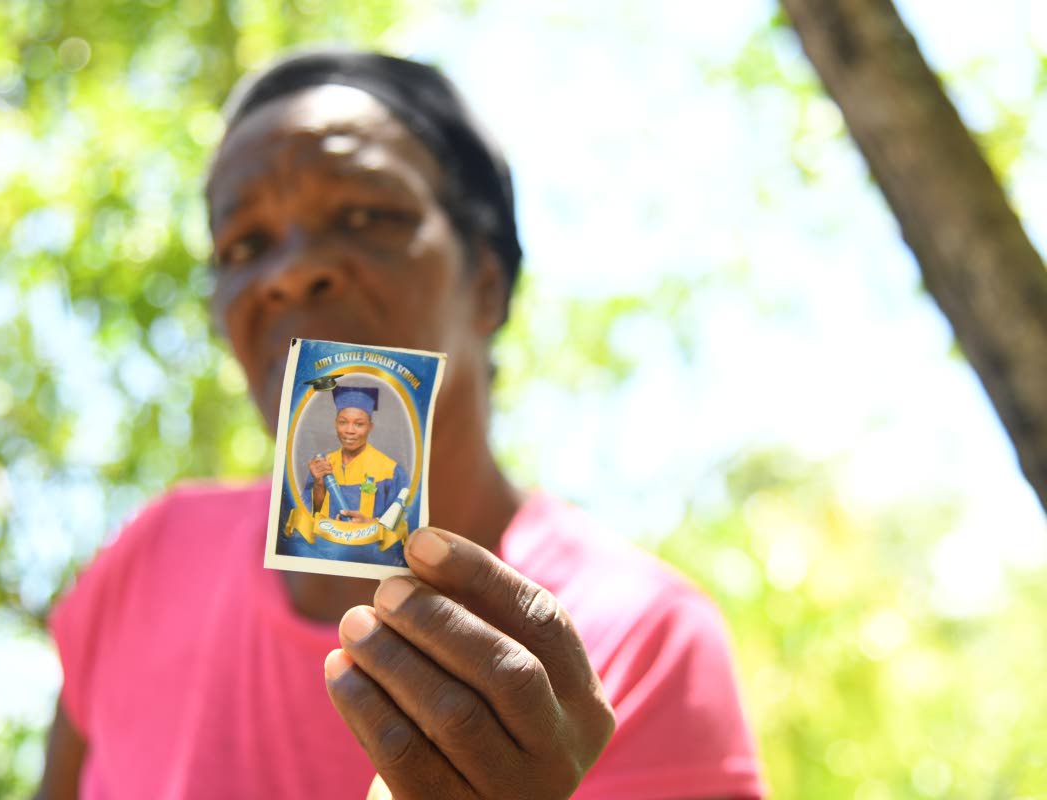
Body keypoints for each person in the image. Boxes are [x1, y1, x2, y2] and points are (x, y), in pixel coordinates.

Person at [37, 50, 764, 799]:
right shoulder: (152, 560)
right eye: (244, 245)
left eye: (365, 216)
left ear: (486, 280)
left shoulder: (638, 639)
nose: (290, 270)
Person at [303, 384, 410, 524]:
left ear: (370, 427)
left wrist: (370, 524)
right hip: (326, 544)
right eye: (343, 422)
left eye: (359, 424)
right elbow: (308, 517)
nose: (349, 430)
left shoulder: (390, 471)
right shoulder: (323, 465)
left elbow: (402, 524)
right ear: (335, 424)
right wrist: (318, 485)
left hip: (368, 546)